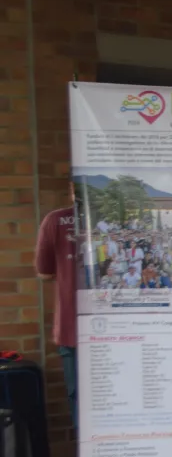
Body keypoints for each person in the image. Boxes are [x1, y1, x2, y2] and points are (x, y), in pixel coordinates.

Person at [35, 182, 78, 429]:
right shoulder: (116, 221)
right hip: (123, 329)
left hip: (72, 328)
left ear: (72, 188)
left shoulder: (55, 220)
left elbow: (44, 272)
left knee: (79, 399)